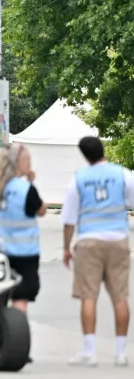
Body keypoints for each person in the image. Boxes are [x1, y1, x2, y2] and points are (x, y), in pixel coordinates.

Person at [62, 136, 134, 367]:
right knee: (120, 297)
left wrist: (66, 248)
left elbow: (69, 218)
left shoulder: (79, 179)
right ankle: (121, 353)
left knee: (88, 296)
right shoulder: (123, 174)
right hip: (118, 239)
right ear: (103, 149)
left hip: (89, 241)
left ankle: (90, 351)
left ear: (84, 155)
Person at [0, 143, 46, 362]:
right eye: (28, 161)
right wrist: (31, 182)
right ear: (19, 164)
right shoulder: (25, 189)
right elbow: (41, 211)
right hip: (24, 254)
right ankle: (18, 347)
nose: (30, 164)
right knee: (20, 300)